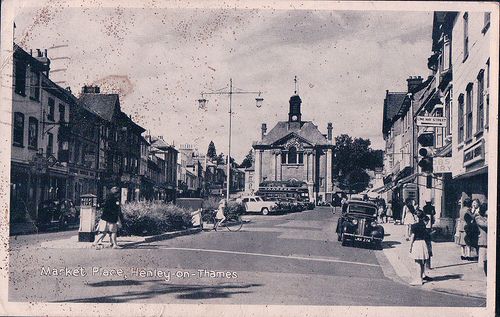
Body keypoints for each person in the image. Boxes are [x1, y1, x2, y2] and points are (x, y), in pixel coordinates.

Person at [409, 213, 430, 286]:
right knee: (422, 262)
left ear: (416, 217)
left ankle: (418, 279)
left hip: (417, 244)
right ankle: (420, 278)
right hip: (423, 243)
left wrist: (410, 247)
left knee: (417, 262)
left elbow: (412, 237)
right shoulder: (424, 226)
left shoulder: (414, 226)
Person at [475, 203, 488, 275]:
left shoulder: (486, 217)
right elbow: (485, 225)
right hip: (483, 240)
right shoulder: (478, 218)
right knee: (482, 260)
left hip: (488, 240)